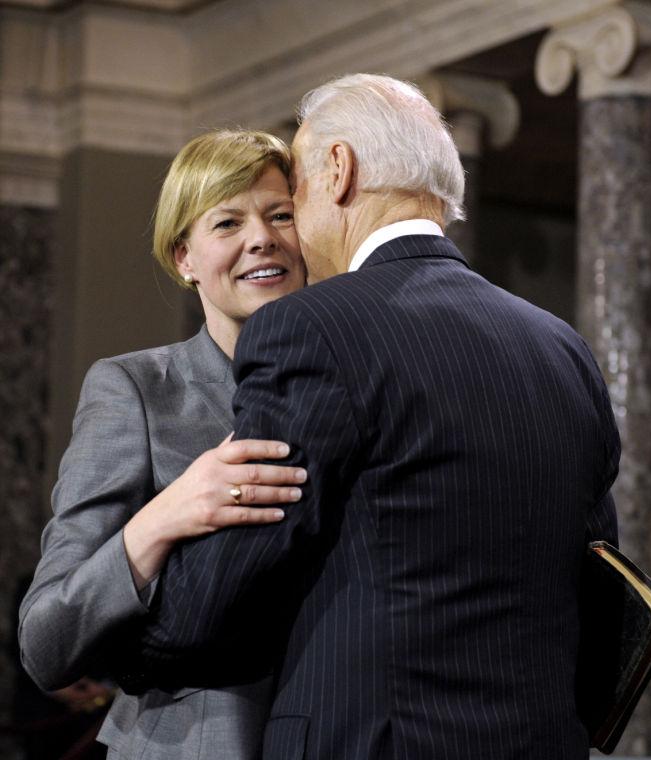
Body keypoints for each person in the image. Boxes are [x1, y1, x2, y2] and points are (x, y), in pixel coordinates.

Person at [115, 74, 620, 760]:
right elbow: (601, 587)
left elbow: (230, 582)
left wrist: (121, 652)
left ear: (338, 169)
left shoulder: (314, 329)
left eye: (293, 194)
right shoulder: (563, 349)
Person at [18, 129, 308, 760]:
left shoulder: (354, 385)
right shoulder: (136, 388)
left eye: (281, 214)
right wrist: (163, 518)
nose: (262, 237)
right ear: (184, 259)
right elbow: (46, 644)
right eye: (227, 222)